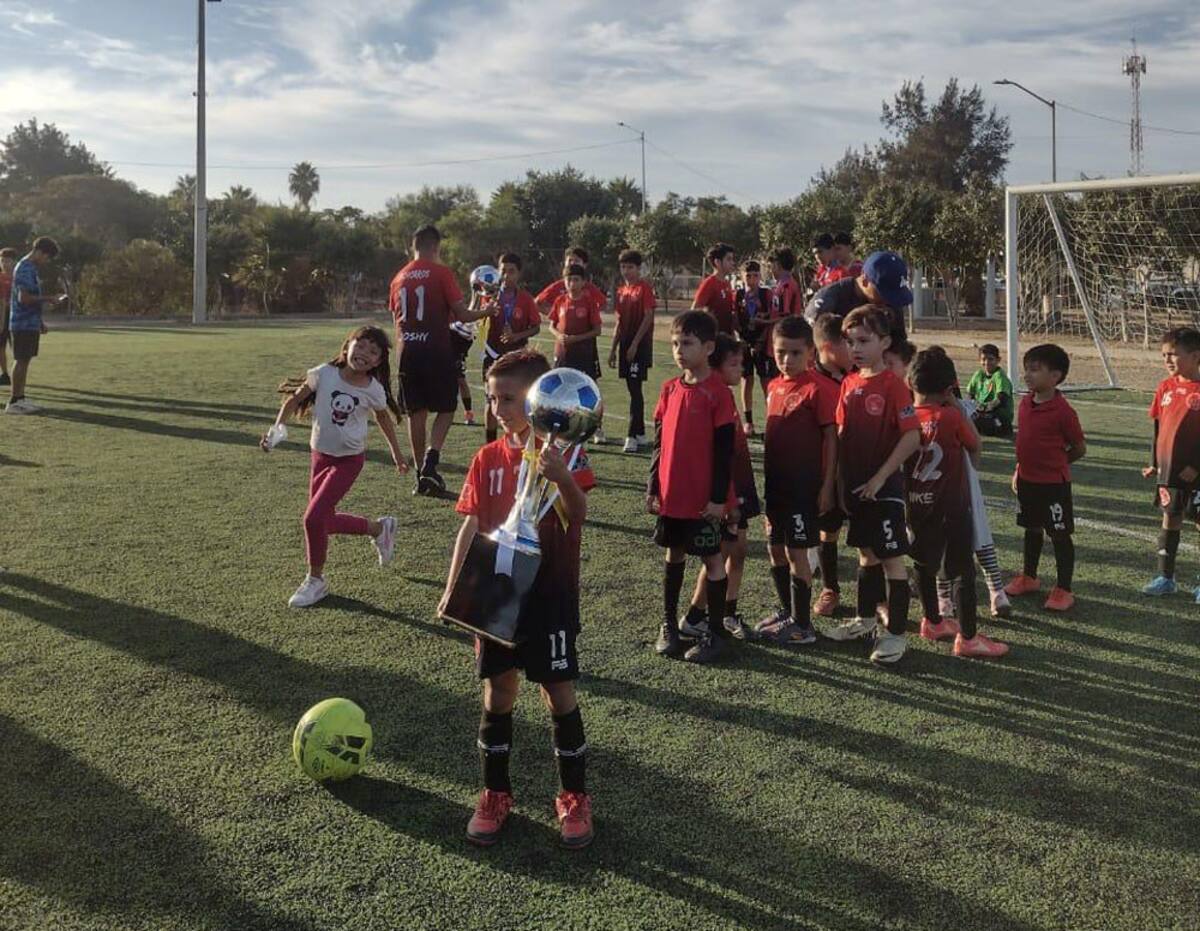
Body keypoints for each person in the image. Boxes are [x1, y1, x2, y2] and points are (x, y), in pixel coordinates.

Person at [439, 349, 596, 850]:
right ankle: (495, 793)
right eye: (491, 398)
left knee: (558, 692)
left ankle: (573, 797)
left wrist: (562, 478)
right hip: (496, 594)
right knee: (498, 692)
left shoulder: (565, 453)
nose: (497, 408)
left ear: (535, 399)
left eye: (507, 398)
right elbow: (471, 525)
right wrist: (452, 589)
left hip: (550, 594)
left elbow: (579, 512)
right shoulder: (487, 458)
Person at [262, 326, 408, 608]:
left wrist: (397, 454)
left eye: (373, 351)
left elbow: (384, 420)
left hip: (349, 461)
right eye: (360, 345)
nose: (364, 353)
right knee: (322, 522)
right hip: (319, 455)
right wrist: (276, 429)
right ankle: (380, 529)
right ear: (347, 346)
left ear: (378, 362)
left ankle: (316, 581)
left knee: (312, 519)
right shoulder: (324, 373)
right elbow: (295, 399)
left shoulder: (373, 390)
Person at [822, 306, 921, 665]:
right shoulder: (848, 382)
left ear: (885, 342)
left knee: (892, 560)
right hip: (854, 489)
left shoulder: (894, 385)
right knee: (866, 555)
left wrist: (880, 477)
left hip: (884, 490)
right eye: (850, 342)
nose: (856, 348)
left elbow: (912, 436)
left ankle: (895, 635)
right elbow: (842, 436)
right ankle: (865, 620)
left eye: (864, 341)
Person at [648, 310, 738, 664]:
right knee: (673, 553)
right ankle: (669, 625)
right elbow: (659, 443)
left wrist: (719, 499)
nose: (679, 350)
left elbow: (724, 452)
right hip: (671, 495)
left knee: (713, 559)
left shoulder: (718, 393)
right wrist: (653, 487)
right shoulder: (670, 389)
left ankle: (715, 633)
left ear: (708, 347)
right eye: (674, 343)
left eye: (687, 343)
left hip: (704, 501)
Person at [906, 348, 1009, 658]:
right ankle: (968, 637)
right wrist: (957, 411)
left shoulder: (904, 417)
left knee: (924, 564)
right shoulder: (950, 416)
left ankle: (932, 621)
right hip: (951, 507)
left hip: (915, 505)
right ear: (950, 388)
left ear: (911, 382)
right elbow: (975, 447)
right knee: (963, 570)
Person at [753, 315, 837, 645]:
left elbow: (831, 439)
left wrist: (827, 486)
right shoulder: (773, 386)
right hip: (776, 486)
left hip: (804, 487)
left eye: (794, 353)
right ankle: (787, 611)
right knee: (774, 548)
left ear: (810, 353)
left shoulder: (818, 389)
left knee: (796, 552)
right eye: (780, 352)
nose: (786, 360)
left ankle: (803, 625)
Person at [389, 225, 491, 496]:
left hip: (407, 352)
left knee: (416, 413)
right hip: (436, 349)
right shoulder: (441, 272)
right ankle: (431, 461)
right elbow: (462, 314)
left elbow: (395, 320)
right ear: (436, 247)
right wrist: (487, 311)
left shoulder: (398, 277)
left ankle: (421, 473)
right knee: (446, 407)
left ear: (414, 246)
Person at [680, 333, 760, 640]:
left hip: (741, 482)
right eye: (734, 364)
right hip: (725, 490)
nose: (741, 370)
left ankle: (728, 613)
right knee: (720, 553)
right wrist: (724, 498)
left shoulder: (726, 396)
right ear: (715, 365)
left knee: (737, 552)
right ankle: (696, 614)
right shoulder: (713, 398)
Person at [1003, 344, 1087, 612]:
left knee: (1060, 535)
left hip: (1054, 486)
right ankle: (1029, 577)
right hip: (1027, 482)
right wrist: (1019, 468)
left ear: (1055, 376)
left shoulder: (1063, 411)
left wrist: (1056, 464)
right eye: (1027, 368)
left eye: (1035, 369)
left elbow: (1079, 447)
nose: (1027, 374)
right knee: (1031, 529)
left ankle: (1064, 589)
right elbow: (1025, 443)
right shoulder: (1026, 402)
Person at [1141, 327, 1200, 600]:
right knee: (1170, 518)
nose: (1167, 360)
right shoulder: (1164, 387)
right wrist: (1154, 462)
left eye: (1173, 354)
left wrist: (1197, 466)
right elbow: (1158, 425)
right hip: (1170, 471)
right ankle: (1165, 577)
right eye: (1164, 354)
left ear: (1196, 356)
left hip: (1195, 474)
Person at [810, 314, 852, 617]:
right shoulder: (812, 384)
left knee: (869, 540)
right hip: (826, 473)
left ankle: (878, 598)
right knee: (828, 531)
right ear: (828, 347)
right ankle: (830, 588)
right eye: (847, 343)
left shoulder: (858, 377)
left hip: (860, 472)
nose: (853, 349)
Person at [481, 253, 540, 444]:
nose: (506, 276)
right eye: (503, 271)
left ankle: (520, 441)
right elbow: (479, 321)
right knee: (491, 400)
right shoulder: (489, 297)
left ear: (519, 274)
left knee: (519, 400)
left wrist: (517, 336)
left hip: (517, 357)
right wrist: (486, 311)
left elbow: (536, 326)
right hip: (493, 354)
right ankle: (489, 443)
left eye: (511, 271)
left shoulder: (525, 299)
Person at [803, 250, 913, 349]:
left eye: (893, 295)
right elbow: (806, 349)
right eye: (884, 293)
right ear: (865, 280)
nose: (888, 301)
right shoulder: (827, 302)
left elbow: (899, 350)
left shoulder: (889, 304)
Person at [5, 237, 65, 414]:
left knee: (25, 360)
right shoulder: (24, 267)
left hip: (30, 322)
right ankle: (14, 401)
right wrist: (50, 299)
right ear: (40, 252)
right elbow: (23, 298)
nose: (46, 261)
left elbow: (30, 298)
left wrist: (39, 322)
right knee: (21, 359)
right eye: (47, 257)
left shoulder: (31, 268)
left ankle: (21, 398)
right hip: (22, 322)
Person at [550, 265, 605, 445]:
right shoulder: (560, 300)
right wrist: (559, 335)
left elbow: (597, 330)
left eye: (576, 280)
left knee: (590, 391)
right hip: (563, 354)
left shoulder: (589, 302)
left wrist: (576, 339)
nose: (572, 283)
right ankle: (562, 429)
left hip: (584, 355)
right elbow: (552, 324)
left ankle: (597, 428)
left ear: (583, 282)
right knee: (561, 391)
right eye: (568, 279)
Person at [608, 249, 656, 453]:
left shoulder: (644, 288)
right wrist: (613, 349)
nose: (626, 271)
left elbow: (648, 317)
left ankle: (631, 436)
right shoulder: (621, 291)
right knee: (632, 388)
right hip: (625, 345)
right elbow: (619, 322)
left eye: (630, 267)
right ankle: (641, 433)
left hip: (639, 346)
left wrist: (636, 344)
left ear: (639, 268)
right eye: (623, 267)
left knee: (635, 389)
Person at [735, 260, 777, 436]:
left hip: (762, 344)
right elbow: (735, 319)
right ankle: (749, 422)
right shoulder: (738, 295)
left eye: (755, 275)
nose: (752, 279)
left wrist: (761, 340)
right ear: (742, 276)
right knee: (746, 380)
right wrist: (739, 337)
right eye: (748, 275)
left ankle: (772, 421)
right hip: (745, 343)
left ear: (760, 276)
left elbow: (773, 318)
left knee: (766, 382)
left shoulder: (766, 294)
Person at [535, 247, 607, 318]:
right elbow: (537, 303)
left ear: (584, 265)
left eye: (576, 261)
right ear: (565, 263)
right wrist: (556, 315)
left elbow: (603, 304)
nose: (572, 263)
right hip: (562, 329)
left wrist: (589, 315)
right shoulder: (558, 286)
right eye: (570, 260)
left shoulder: (589, 287)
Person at [965, 344, 1014, 436]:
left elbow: (1001, 399)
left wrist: (983, 409)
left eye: (990, 359)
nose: (987, 362)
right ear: (980, 360)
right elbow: (969, 394)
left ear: (998, 360)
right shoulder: (978, 374)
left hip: (998, 415)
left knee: (978, 423)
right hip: (983, 413)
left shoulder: (999, 376)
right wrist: (972, 406)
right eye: (984, 359)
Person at [692, 243, 738, 337]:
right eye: (728, 259)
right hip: (714, 339)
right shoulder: (709, 283)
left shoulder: (727, 283)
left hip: (726, 338)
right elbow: (694, 310)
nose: (732, 262)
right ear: (717, 262)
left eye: (732, 259)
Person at [449, 319, 479, 427]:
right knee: (449, 383)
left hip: (455, 356)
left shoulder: (465, 337)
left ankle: (468, 413)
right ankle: (446, 412)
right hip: (446, 355)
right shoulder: (452, 334)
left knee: (461, 381)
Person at [0, 247, 17, 387]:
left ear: (14, 262)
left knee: (17, 349)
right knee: (1, 346)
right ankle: (4, 374)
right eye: (2, 261)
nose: (4, 264)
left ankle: (17, 373)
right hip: (2, 317)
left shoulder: (18, 277)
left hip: (17, 316)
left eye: (7, 261)